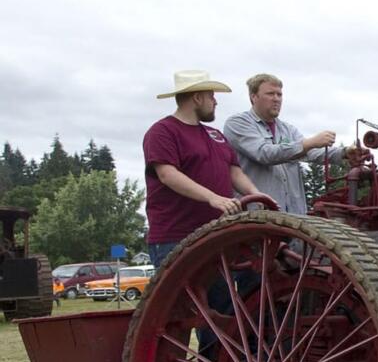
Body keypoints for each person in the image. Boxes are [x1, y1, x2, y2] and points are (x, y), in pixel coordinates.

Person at [144, 70, 261, 268]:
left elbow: (234, 172)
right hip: (177, 238)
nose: (215, 102)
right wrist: (212, 198)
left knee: (223, 298)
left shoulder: (215, 135)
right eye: (211, 96)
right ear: (197, 98)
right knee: (185, 299)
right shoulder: (162, 131)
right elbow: (167, 174)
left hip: (216, 234)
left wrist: (257, 195)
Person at [223, 73, 350, 215]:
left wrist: (345, 153)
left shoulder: (288, 129)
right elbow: (264, 153)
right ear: (254, 97)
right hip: (256, 215)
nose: (276, 99)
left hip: (292, 215)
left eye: (279, 94)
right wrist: (309, 143)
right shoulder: (237, 123)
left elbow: (312, 153)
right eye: (270, 94)